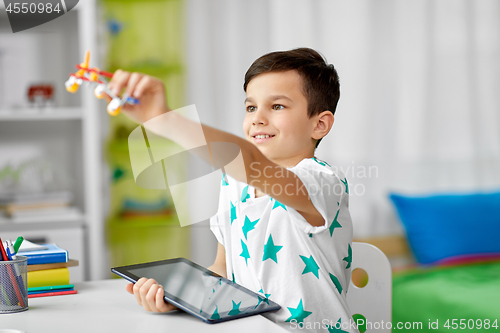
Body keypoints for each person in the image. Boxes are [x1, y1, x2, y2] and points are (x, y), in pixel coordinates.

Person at [108, 48, 357, 333]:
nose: (257, 118)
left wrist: (165, 120)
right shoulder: (233, 182)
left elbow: (250, 163)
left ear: (320, 124)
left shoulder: (322, 181)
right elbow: (222, 270)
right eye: (251, 107)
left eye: (277, 106)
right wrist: (180, 298)